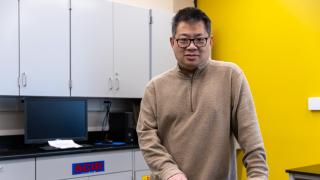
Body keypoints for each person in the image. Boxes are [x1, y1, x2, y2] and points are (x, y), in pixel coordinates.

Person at [136, 7, 268, 180]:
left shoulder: (231, 76)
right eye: (184, 40)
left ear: (210, 41)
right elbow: (146, 137)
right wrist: (170, 172)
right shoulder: (155, 88)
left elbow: (252, 140)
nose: (191, 47)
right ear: (172, 42)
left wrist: (258, 176)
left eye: (199, 39)